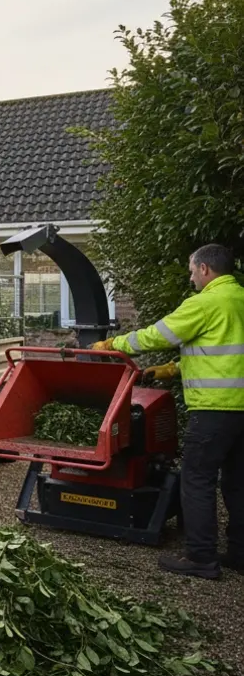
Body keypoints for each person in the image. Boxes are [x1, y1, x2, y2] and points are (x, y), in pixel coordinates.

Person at [93, 243, 244, 579]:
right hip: (240, 414)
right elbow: (222, 352)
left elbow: (156, 336)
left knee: (197, 480)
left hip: (213, 410)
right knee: (237, 482)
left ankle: (201, 557)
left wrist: (112, 344)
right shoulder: (240, 300)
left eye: (192, 271)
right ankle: (239, 552)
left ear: (204, 269)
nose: (191, 278)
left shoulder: (205, 303)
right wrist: (172, 369)